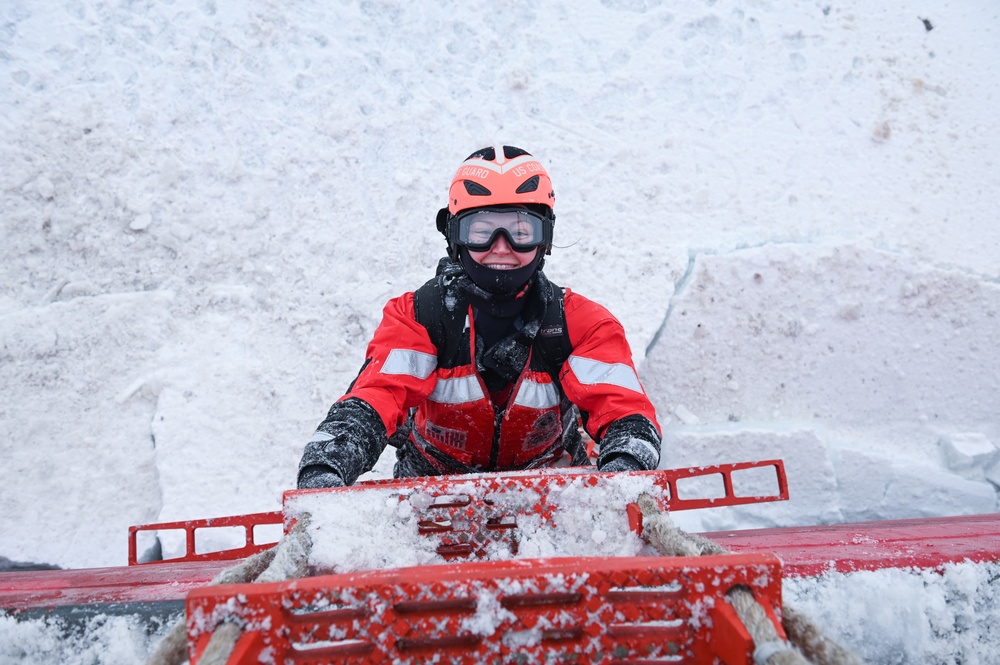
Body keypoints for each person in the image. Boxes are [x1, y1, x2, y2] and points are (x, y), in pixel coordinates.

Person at [297, 146, 662, 489]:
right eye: (482, 232)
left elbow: (623, 410)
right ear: (455, 236)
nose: (501, 248)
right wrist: (325, 466)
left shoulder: (581, 323)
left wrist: (627, 467)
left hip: (551, 494)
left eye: (521, 231)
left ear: (545, 238)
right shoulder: (419, 316)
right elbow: (376, 395)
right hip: (430, 495)